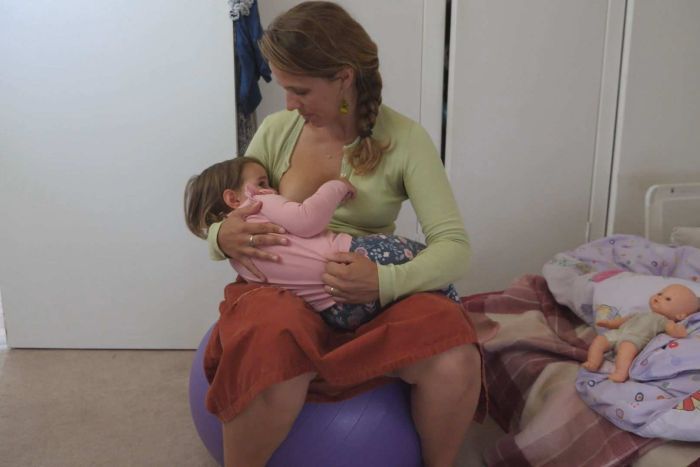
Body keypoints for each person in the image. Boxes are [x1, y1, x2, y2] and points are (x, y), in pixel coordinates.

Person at [203, 3, 483, 466]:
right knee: (268, 340)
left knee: (454, 349)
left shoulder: (405, 140)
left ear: (344, 78)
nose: (289, 104)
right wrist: (221, 237)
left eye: (300, 90)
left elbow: (455, 248)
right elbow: (228, 204)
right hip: (283, 287)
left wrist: (381, 281)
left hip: (367, 289)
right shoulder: (277, 131)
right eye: (284, 89)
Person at [184, 156, 461, 330]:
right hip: (353, 255)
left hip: (335, 312)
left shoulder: (239, 259)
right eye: (264, 181)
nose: (273, 188)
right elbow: (308, 220)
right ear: (234, 198)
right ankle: (462, 318)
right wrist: (336, 187)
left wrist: (217, 236)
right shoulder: (260, 202)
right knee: (426, 262)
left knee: (410, 299)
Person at [583, 284, 700, 382]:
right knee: (599, 340)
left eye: (667, 299)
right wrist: (609, 324)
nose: (659, 297)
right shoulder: (641, 313)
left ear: (680, 315)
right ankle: (593, 362)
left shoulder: (663, 320)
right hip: (619, 333)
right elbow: (623, 321)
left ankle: (621, 372)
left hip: (635, 339)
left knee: (626, 350)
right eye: (660, 293)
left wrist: (680, 330)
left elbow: (676, 332)